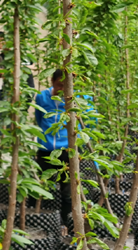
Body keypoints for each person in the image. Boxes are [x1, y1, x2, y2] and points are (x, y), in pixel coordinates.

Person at [32, 69, 95, 226]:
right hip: (46, 150)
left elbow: (90, 122)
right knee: (40, 186)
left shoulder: (81, 99)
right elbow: (39, 118)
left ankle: (65, 224)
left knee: (68, 190)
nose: (62, 89)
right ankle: (39, 222)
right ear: (52, 82)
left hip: (69, 150)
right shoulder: (42, 97)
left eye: (67, 86)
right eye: (59, 85)